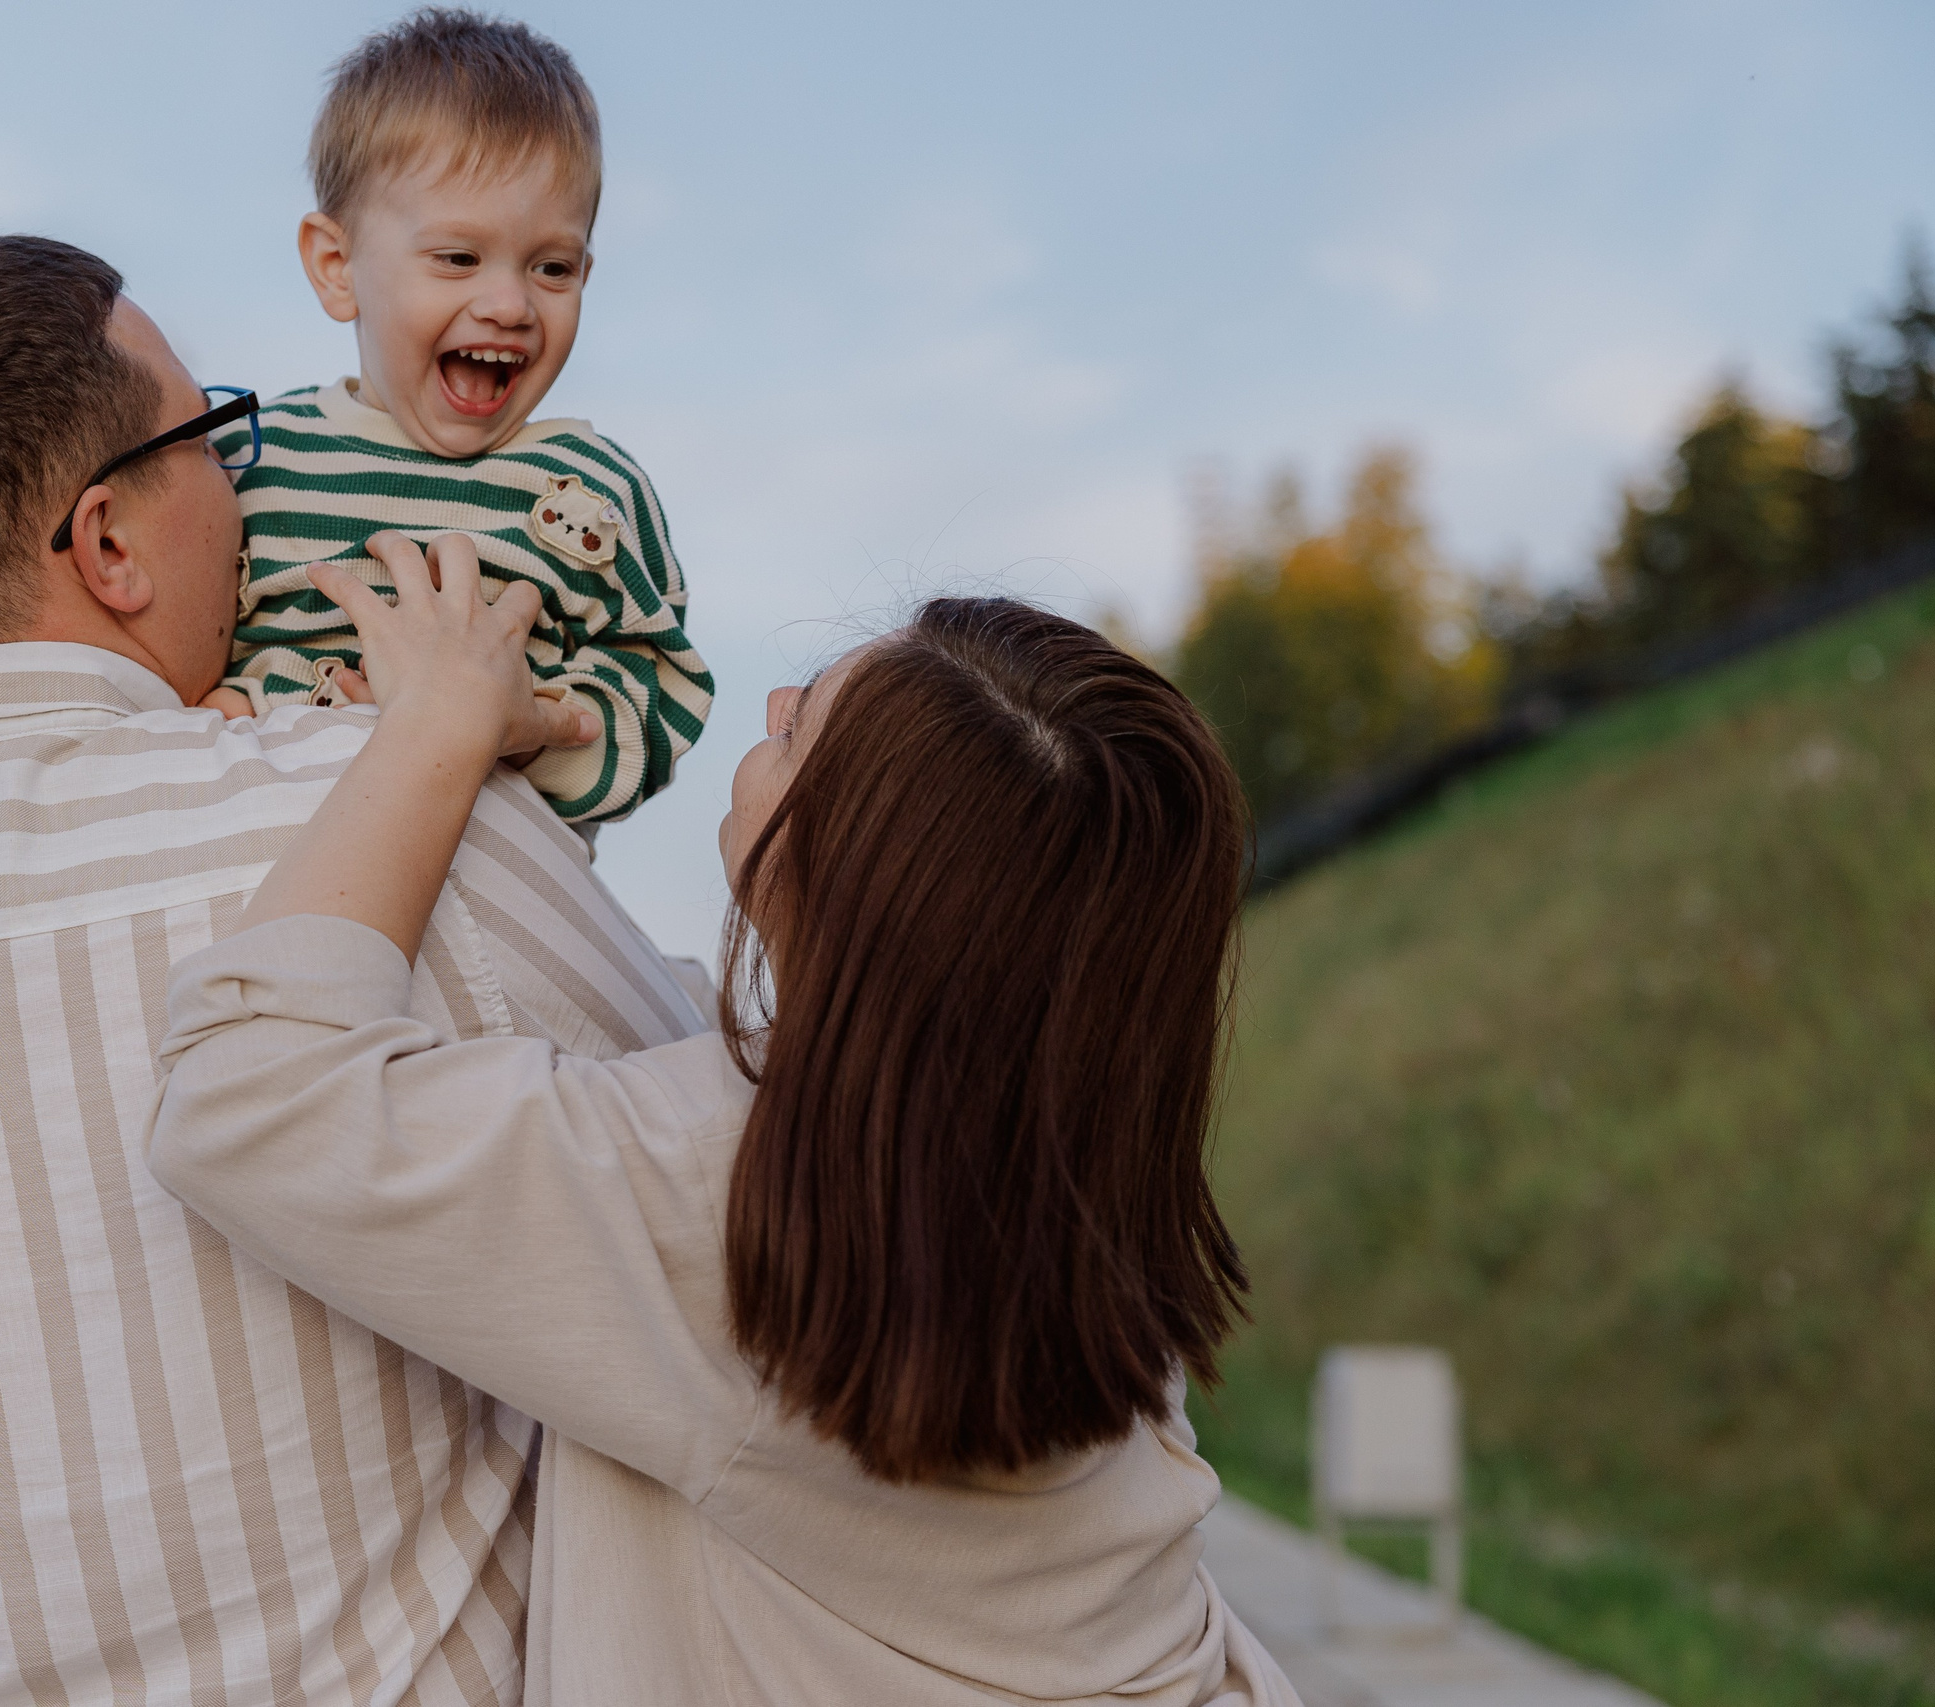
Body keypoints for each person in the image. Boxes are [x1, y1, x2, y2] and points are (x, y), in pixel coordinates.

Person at [0, 232, 696, 1707]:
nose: (248, 489)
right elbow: (733, 1145)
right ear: (107, 544)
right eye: (216, 438)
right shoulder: (389, 803)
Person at [149, 535, 1302, 1705]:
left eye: (801, 727)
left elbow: (251, 1090)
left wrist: (436, 723)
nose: (770, 705)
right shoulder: (1069, 1161)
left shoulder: (727, 1193)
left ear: (842, 868)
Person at [206, 10, 714, 829]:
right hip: (261, 867)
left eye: (553, 267)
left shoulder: (591, 493)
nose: (510, 303)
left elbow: (660, 699)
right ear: (338, 267)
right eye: (459, 258)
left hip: (489, 882)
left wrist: (530, 725)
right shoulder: (247, 459)